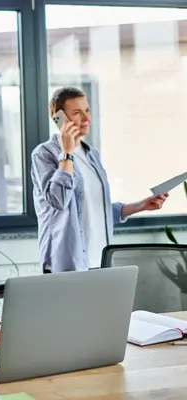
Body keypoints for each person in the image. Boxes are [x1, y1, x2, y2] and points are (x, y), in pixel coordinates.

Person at [31, 87, 167, 273]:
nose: (87, 119)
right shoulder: (44, 154)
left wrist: (141, 205)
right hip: (66, 264)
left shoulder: (91, 154)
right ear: (59, 118)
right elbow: (58, 201)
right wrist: (67, 153)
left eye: (87, 111)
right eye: (77, 113)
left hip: (99, 261)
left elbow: (94, 210)